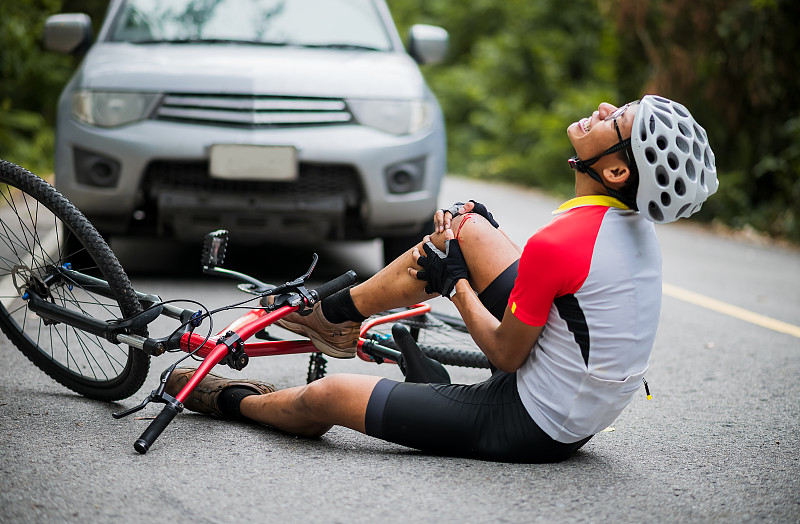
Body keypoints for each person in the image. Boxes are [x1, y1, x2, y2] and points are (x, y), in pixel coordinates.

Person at [165, 95, 719, 463]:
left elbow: (506, 356)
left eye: (613, 120)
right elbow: (567, 294)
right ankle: (336, 318)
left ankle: (231, 399)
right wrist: (465, 251)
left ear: (617, 171)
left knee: (329, 396)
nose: (601, 108)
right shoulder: (625, 225)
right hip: (562, 376)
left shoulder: (563, 242)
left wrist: (457, 282)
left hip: (534, 422)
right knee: (468, 229)